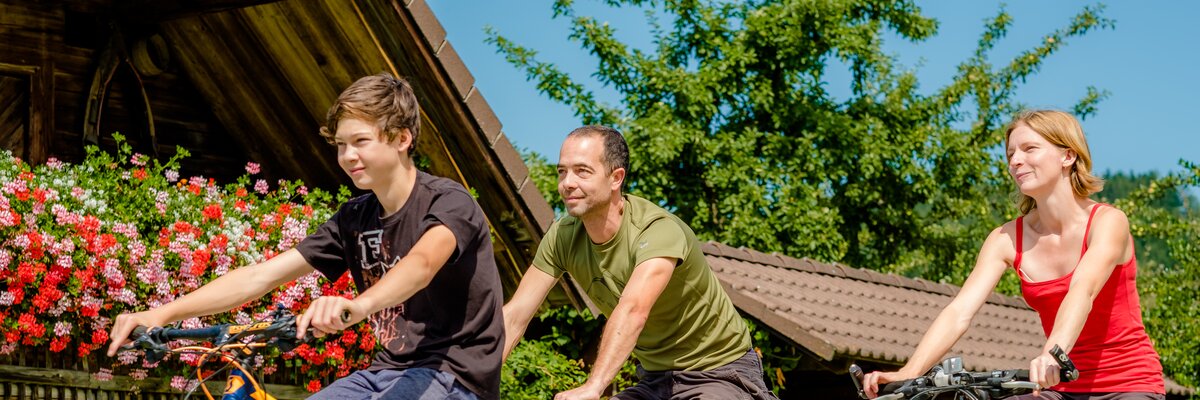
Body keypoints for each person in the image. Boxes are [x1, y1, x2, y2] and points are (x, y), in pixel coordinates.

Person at [106, 73, 504, 400]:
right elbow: (260, 276)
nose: (347, 156)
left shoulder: (449, 202)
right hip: (388, 372)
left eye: (361, 142)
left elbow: (422, 264)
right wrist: (158, 314)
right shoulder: (354, 217)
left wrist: (357, 306)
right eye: (341, 145)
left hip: (453, 377)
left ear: (402, 139)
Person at [861, 110, 1165, 400]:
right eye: (1011, 154)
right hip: (1062, 388)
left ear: (1068, 156)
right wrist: (909, 372)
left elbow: (1082, 291)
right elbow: (959, 312)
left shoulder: (1108, 222)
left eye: (1030, 149)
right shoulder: (1005, 239)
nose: (1016, 161)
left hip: (1129, 383)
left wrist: (1052, 353)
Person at [502, 125, 779, 400]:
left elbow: (634, 309)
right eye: (562, 171)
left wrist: (594, 387)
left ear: (616, 178)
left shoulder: (656, 230)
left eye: (582, 171)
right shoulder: (563, 237)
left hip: (720, 372)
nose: (567, 183)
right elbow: (515, 315)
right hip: (655, 379)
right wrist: (471, 379)